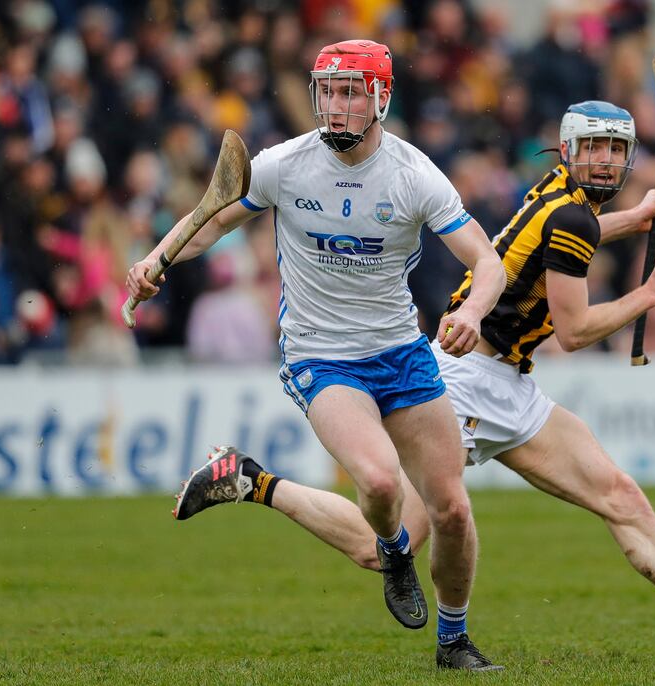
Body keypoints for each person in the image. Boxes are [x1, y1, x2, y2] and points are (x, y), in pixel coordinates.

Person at [170, 100, 655, 663]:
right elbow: (574, 333)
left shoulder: (561, 199)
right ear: (568, 150)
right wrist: (649, 295)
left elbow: (569, 237)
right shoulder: (573, 214)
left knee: (619, 494)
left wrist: (635, 218)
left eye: (615, 150)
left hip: (509, 384)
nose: (604, 161)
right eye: (592, 148)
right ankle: (253, 481)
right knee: (380, 547)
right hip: (467, 379)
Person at [126, 40, 506, 671]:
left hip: (403, 352)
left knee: (453, 511)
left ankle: (454, 642)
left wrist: (469, 313)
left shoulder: (413, 175)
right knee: (380, 482)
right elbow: (213, 220)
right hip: (321, 356)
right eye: (328, 91)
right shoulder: (285, 165)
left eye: (351, 91)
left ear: (381, 98)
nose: (336, 105)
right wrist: (155, 260)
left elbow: (487, 261)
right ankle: (392, 553)